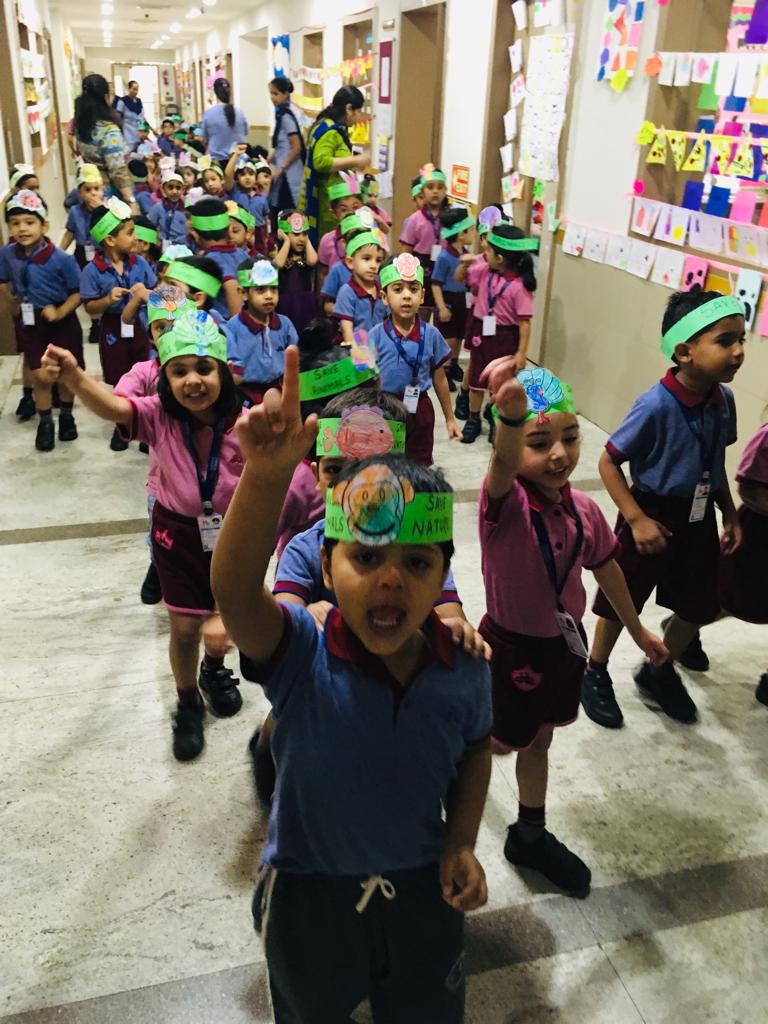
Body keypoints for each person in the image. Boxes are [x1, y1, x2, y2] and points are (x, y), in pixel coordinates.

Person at [211, 348, 492, 1022]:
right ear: (327, 569)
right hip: (311, 894)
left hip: (424, 887)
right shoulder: (302, 654)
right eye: (366, 558)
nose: (391, 579)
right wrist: (265, 479)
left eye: (416, 562)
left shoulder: (464, 666)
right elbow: (235, 593)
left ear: (444, 577)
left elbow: (478, 747)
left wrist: (462, 841)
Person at [478, 362, 667, 895]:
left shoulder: (585, 510)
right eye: (540, 443)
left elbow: (608, 569)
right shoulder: (503, 505)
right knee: (488, 739)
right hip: (508, 649)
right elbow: (499, 467)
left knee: (538, 741)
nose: (559, 454)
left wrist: (637, 631)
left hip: (562, 651)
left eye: (570, 437)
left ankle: (530, 835)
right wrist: (511, 425)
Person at [42, 312, 246, 762]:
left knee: (221, 624)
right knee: (186, 627)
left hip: (231, 536)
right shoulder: (157, 417)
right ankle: (188, 701)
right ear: (165, 378)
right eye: (179, 372)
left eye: (204, 368)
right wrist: (75, 376)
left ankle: (215, 671)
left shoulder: (243, 422)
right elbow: (115, 408)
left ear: (224, 370)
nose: (193, 381)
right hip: (175, 535)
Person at [581, 288, 745, 728]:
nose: (739, 351)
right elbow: (608, 461)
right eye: (726, 341)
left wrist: (728, 512)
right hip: (650, 512)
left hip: (700, 512)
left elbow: (716, 463)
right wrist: (635, 520)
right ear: (684, 351)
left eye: (741, 340)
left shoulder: (722, 400)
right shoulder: (656, 404)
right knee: (622, 597)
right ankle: (594, 670)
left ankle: (658, 667)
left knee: (699, 599)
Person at [1, 190, 82, 451]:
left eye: (29, 222)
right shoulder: (7, 253)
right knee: (40, 375)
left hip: (61, 320)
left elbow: (78, 293)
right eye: (15, 223)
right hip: (30, 321)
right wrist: (12, 299)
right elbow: (4, 279)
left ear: (44, 225)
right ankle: (46, 421)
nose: (22, 229)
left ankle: (67, 416)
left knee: (66, 373)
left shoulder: (62, 259)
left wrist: (59, 313)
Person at [368, 253, 461, 466]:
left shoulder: (432, 335)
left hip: (420, 409)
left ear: (422, 295)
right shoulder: (373, 335)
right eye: (398, 289)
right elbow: (362, 380)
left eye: (413, 289)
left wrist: (449, 419)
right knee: (385, 464)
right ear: (384, 297)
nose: (407, 296)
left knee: (419, 465)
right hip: (385, 409)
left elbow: (440, 380)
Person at [79, 198, 157, 450]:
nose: (136, 238)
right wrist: (105, 300)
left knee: (146, 372)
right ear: (110, 240)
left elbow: (155, 289)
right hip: (112, 328)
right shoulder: (93, 270)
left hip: (140, 325)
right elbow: (89, 307)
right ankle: (121, 425)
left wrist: (146, 292)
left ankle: (146, 424)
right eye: (130, 233)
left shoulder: (140, 263)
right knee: (119, 375)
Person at [461, 224, 537, 446]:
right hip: (481, 332)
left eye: (490, 252)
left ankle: (496, 420)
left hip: (505, 337)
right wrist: (468, 265)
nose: (486, 254)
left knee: (501, 383)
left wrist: (521, 353)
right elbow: (466, 279)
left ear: (500, 258)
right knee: (476, 377)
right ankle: (473, 419)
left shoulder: (519, 287)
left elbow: (524, 323)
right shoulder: (485, 271)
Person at [716, 420, 768, 705]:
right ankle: (683, 628)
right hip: (759, 537)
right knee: (732, 597)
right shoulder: (767, 437)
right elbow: (748, 487)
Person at [299, 85, 370, 246]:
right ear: (349, 108)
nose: (359, 117)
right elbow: (321, 162)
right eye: (358, 111)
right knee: (329, 248)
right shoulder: (330, 131)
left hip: (335, 199)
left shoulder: (325, 125)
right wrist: (354, 161)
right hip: (326, 204)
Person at [225, 258, 298, 405]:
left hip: (280, 391)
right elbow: (232, 367)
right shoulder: (232, 328)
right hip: (245, 396)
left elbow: (295, 359)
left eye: (273, 289)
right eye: (260, 289)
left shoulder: (285, 324)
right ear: (243, 293)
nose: (269, 295)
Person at [73, 74, 137, 212]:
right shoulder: (109, 131)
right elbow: (117, 170)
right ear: (105, 97)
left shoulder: (82, 126)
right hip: (109, 193)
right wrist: (131, 201)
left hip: (90, 187)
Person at [432, 209, 475, 393]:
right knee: (448, 340)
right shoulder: (443, 256)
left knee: (459, 337)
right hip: (447, 299)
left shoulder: (466, 255)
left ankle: (454, 363)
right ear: (461, 233)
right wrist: (441, 307)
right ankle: (445, 370)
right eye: (470, 229)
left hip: (462, 300)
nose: (473, 233)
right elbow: (435, 284)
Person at [400, 164, 450, 313]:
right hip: (422, 266)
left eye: (440, 188)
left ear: (445, 191)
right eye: (430, 187)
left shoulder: (450, 219)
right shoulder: (414, 220)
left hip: (444, 266)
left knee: (443, 311)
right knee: (421, 310)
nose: (435, 191)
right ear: (422, 191)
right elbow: (406, 252)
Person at [188, 197, 247, 319]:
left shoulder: (212, 259)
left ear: (197, 234)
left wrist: (237, 327)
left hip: (226, 325)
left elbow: (231, 285)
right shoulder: (242, 253)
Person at [332, 229, 387, 345]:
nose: (373, 266)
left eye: (378, 260)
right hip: (355, 354)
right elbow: (347, 333)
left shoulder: (382, 291)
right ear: (350, 262)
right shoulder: (347, 292)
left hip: (379, 350)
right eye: (367, 259)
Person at [272, 209, 320, 334]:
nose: (301, 239)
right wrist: (287, 242)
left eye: (304, 234)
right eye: (296, 234)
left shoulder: (306, 256)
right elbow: (278, 264)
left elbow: (313, 261)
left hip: (306, 304)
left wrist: (307, 240)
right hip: (285, 304)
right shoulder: (279, 255)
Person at [268, 76, 306, 215]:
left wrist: (281, 168)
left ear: (286, 94)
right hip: (282, 170)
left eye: (276, 94)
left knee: (288, 213)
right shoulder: (280, 115)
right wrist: (270, 159)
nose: (273, 97)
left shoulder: (286, 117)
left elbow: (296, 147)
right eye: (271, 94)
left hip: (289, 173)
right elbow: (281, 146)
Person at [201, 78, 248, 164]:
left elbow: (204, 139)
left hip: (217, 161)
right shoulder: (239, 112)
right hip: (239, 161)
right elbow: (245, 132)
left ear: (215, 92)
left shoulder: (208, 114)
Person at [147, 171, 187, 245]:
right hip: (166, 246)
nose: (174, 191)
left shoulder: (186, 208)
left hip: (184, 246)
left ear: (183, 190)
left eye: (178, 188)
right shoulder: (158, 207)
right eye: (170, 187)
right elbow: (149, 225)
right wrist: (155, 241)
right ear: (163, 189)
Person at [114, 80, 151, 153]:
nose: (135, 92)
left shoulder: (139, 101)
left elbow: (142, 117)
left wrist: (147, 129)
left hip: (139, 132)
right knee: (129, 152)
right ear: (129, 88)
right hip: (127, 131)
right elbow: (117, 117)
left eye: (137, 89)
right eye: (134, 89)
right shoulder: (123, 101)